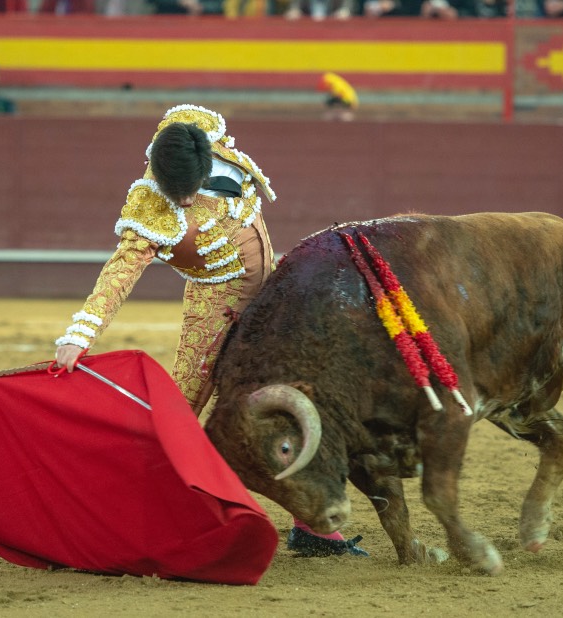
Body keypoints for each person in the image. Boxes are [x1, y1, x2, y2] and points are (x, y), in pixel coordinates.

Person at [53, 104, 368, 558]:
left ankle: (312, 528)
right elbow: (118, 273)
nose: (183, 201)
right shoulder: (149, 207)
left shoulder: (202, 134)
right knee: (179, 412)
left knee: (295, 395)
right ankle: (120, 512)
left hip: (271, 297)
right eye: (175, 192)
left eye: (189, 189)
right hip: (214, 311)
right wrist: (79, 336)